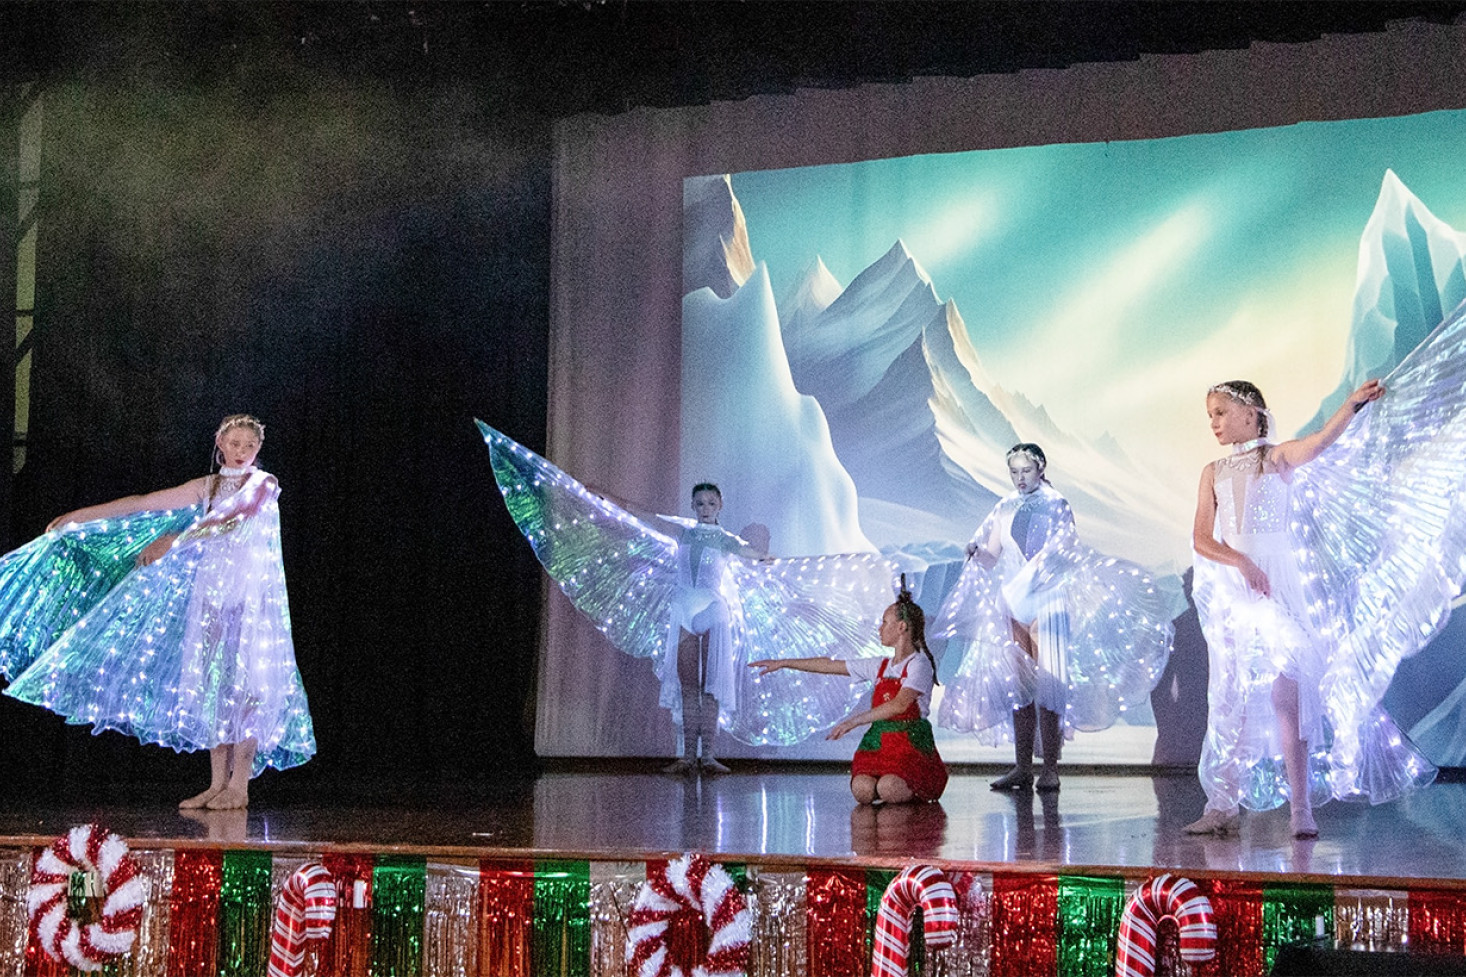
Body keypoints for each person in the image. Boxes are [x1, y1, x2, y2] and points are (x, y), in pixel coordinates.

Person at [478, 421, 894, 768]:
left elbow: (751, 553)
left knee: (710, 687)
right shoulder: (682, 532)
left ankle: (708, 755)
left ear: (720, 505)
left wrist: (766, 557)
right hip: (683, 608)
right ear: (694, 506)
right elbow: (644, 517)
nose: (704, 507)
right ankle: (686, 755)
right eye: (699, 502)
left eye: (711, 502)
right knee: (687, 686)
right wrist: (607, 497)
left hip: (713, 609)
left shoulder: (724, 539)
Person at [1, 415, 315, 809]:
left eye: (248, 446)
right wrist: (81, 515)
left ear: (257, 450)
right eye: (234, 444)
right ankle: (218, 782)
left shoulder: (262, 484)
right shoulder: (208, 485)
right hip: (211, 593)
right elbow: (142, 503)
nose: (240, 452)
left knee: (247, 686)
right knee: (214, 683)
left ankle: (240, 786)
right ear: (220, 443)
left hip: (248, 596)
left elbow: (231, 517)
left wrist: (177, 540)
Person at [1184, 379, 1436, 838]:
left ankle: (1302, 807)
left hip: (1277, 582)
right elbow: (1202, 538)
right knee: (1229, 696)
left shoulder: (1275, 458)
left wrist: (1350, 405)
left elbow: (1319, 444)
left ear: (1251, 412)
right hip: (1237, 588)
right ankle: (1221, 804)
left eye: (1221, 412)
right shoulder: (1213, 471)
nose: (1214, 423)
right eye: (1210, 416)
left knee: (1289, 692)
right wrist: (1239, 561)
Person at [933, 443, 1176, 793]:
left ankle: (1049, 768)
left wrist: (1035, 578)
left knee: (1049, 686)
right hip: (1014, 601)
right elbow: (992, 555)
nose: (1019, 478)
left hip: (1046, 601)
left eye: (1025, 471)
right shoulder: (1005, 507)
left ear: (1040, 469)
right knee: (1020, 687)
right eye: (1014, 472)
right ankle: (1021, 766)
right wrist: (977, 554)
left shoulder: (1057, 504)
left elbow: (1064, 553)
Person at [750, 581, 947, 804]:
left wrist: (854, 721)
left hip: (908, 743)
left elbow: (900, 704)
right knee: (862, 789)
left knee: (889, 787)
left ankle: (914, 791)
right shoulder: (880, 665)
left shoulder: (918, 664)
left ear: (902, 627)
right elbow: (829, 665)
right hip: (881, 741)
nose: (880, 629)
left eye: (884, 622)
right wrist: (785, 662)